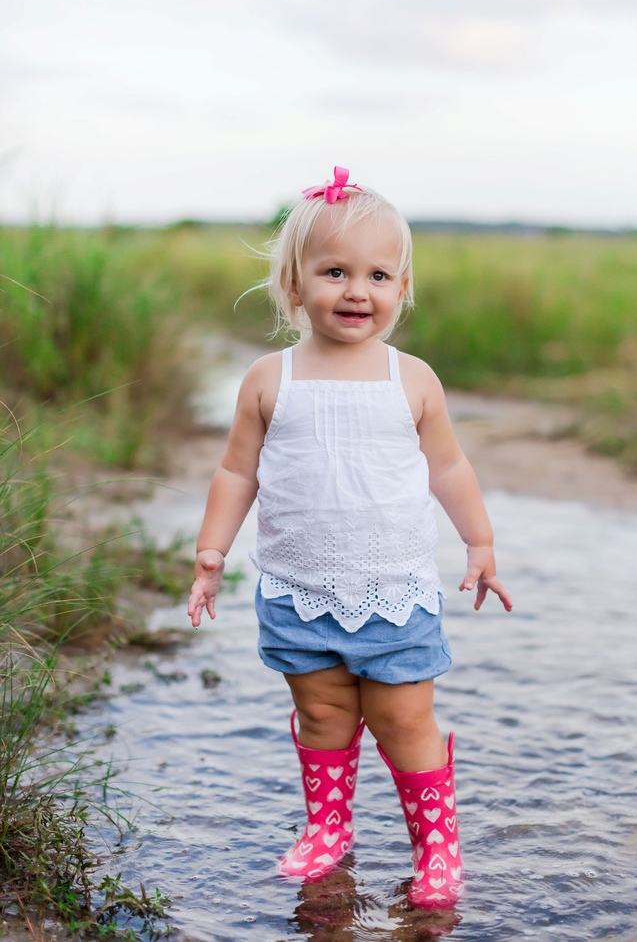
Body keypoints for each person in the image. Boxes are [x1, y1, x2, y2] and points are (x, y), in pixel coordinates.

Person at [187, 166, 513, 910]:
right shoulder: (271, 379)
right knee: (323, 712)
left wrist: (479, 543)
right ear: (295, 286)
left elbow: (450, 468)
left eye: (378, 275)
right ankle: (328, 828)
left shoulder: (413, 379)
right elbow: (237, 474)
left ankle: (436, 848)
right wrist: (212, 551)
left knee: (404, 718)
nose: (356, 291)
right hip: (298, 588)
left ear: (402, 289)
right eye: (334, 272)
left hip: (394, 589)